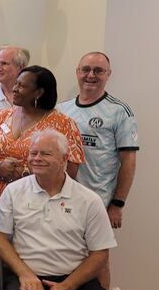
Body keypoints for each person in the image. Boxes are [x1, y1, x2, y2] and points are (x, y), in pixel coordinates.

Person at [0, 129, 116, 290]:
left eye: (45, 153)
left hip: (75, 281)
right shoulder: (14, 191)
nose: (37, 158)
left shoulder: (89, 200)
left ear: (64, 159)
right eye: (33, 153)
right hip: (27, 278)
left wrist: (67, 287)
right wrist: (24, 273)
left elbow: (100, 253)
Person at [0, 65, 84, 223]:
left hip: (37, 202)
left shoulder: (63, 124)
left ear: (39, 92)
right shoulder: (0, 116)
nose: (14, 89)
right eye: (16, 83)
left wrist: (26, 175)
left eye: (21, 86)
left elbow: (71, 170)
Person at [57, 52, 138, 228]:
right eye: (86, 69)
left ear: (108, 74)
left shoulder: (120, 112)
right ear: (77, 72)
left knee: (97, 254)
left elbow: (129, 162)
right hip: (62, 198)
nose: (91, 75)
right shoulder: (62, 110)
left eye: (98, 70)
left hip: (99, 201)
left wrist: (117, 204)